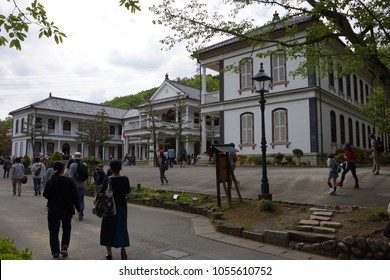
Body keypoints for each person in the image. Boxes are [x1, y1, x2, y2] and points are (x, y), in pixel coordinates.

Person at [43, 161, 80, 259]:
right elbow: (75, 196)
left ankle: (55, 252)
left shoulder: (51, 181)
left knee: (53, 231)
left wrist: (53, 197)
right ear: (63, 169)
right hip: (67, 209)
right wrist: (78, 207)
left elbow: (45, 194)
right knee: (66, 228)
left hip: (53, 209)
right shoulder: (69, 181)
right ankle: (64, 247)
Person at [100, 159, 130, 260]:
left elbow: (101, 193)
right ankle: (123, 248)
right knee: (121, 227)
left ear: (111, 168)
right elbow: (127, 192)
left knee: (108, 229)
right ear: (120, 167)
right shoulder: (125, 179)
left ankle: (109, 253)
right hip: (122, 207)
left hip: (109, 208)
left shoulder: (108, 180)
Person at [68, 152, 87, 221]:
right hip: (82, 185)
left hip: (74, 186)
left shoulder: (72, 165)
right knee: (81, 200)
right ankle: (81, 214)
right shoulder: (84, 164)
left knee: (72, 199)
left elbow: (70, 176)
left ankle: (72, 212)